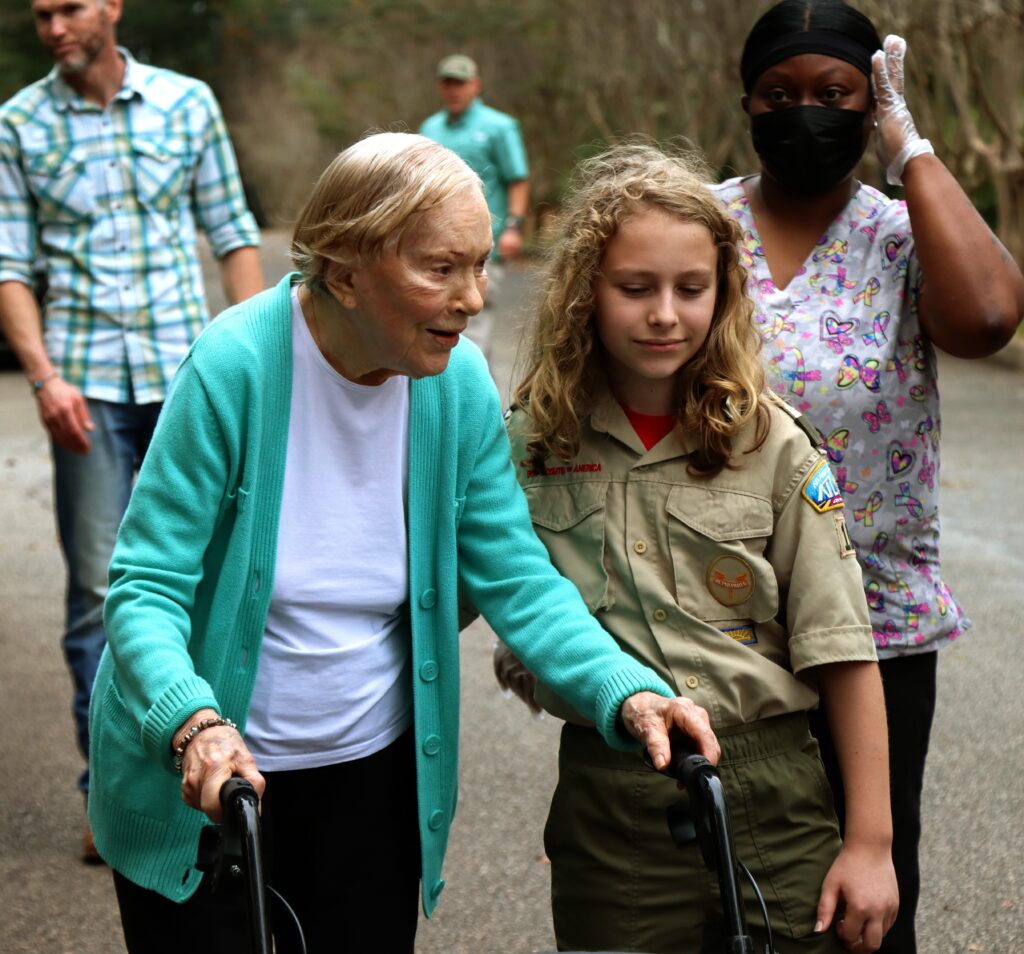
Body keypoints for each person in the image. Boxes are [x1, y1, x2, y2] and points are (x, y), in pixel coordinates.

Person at [86, 131, 719, 954]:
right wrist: (194, 723)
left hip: (370, 783)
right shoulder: (233, 367)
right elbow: (144, 588)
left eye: (481, 264)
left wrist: (626, 691)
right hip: (206, 779)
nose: (474, 297)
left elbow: (516, 574)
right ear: (345, 273)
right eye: (441, 268)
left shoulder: (453, 384)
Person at [496, 141, 898, 953]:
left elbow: (842, 650)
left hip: (775, 783)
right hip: (613, 796)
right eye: (634, 288)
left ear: (724, 292)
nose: (664, 314)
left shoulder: (774, 446)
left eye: (691, 289)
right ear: (585, 292)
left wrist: (872, 845)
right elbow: (459, 587)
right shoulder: (530, 446)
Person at [709, 3, 1024, 950]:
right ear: (749, 104)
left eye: (833, 93)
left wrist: (909, 145)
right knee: (726, 889)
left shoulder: (901, 232)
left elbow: (988, 320)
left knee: (869, 901)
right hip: (719, 614)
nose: (804, 112)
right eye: (780, 94)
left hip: (876, 620)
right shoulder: (700, 228)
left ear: (869, 100)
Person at [0, 0, 263, 860]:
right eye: (39, 15)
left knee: (216, 574)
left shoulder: (188, 104)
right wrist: (43, 376)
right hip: (85, 389)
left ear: (111, 6)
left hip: (189, 383)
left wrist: (261, 366)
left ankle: (220, 766)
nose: (52, 29)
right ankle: (111, 788)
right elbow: (10, 264)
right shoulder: (19, 123)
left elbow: (231, 234)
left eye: (68, 9)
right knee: (99, 597)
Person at [419, 53, 529, 359]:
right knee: (453, 333)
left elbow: (518, 179)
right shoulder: (430, 128)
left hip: (483, 247)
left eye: (460, 82)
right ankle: (485, 403)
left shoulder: (499, 127)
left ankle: (469, 401)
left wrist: (514, 227)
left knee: (469, 333)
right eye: (448, 83)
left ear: (476, 85)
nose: (454, 89)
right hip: (436, 248)